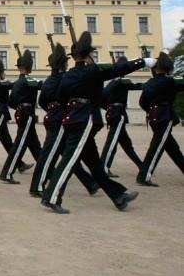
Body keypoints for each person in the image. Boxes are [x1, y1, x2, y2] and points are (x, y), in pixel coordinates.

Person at [41, 31, 152, 214]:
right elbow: (118, 69)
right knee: (69, 160)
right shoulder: (92, 71)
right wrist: (142, 61)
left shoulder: (68, 75)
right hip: (84, 119)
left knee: (94, 164)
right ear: (88, 54)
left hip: (72, 118)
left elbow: (61, 98)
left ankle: (118, 195)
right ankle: (51, 197)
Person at [29, 44, 99, 197]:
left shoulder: (48, 81)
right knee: (50, 155)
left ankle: (90, 183)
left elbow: (42, 102)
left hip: (56, 118)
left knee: (69, 155)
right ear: (64, 63)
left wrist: (52, 110)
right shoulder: (65, 78)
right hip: (61, 120)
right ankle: (37, 187)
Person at [136, 52, 184, 186]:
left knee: (173, 148)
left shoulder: (149, 83)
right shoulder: (170, 82)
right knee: (156, 147)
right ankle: (144, 176)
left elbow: (142, 103)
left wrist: (151, 111)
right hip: (165, 116)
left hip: (154, 116)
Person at [0, 50, 41, 184]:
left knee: (35, 145)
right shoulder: (30, 81)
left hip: (20, 113)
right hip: (27, 114)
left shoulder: (17, 83)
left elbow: (10, 102)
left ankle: (48, 170)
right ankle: (6, 173)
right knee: (20, 144)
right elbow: (44, 87)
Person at [100, 56, 144, 177]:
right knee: (112, 143)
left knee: (126, 144)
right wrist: (148, 84)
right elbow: (135, 86)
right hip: (118, 114)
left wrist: (109, 108)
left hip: (112, 113)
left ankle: (142, 166)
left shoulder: (111, 83)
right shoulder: (121, 81)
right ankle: (103, 167)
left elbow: (102, 100)